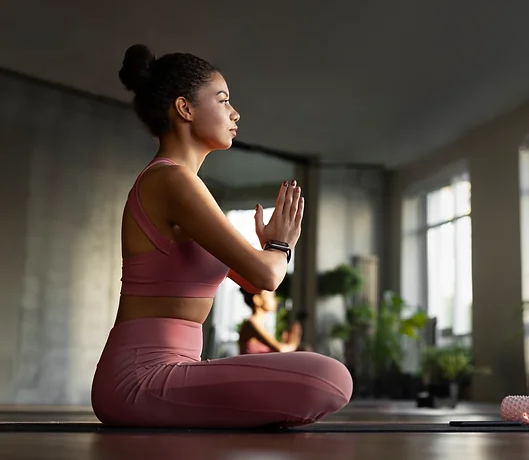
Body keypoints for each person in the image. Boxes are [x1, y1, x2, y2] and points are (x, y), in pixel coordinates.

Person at [90, 44, 352, 428]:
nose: (235, 112)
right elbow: (268, 275)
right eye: (223, 99)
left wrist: (268, 251)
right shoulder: (172, 181)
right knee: (331, 378)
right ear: (185, 108)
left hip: (172, 368)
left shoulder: (185, 185)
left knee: (323, 380)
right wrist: (281, 246)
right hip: (139, 376)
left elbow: (255, 280)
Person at [237, 288, 304, 354]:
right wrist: (294, 343)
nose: (276, 300)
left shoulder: (258, 325)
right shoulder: (251, 324)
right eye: (272, 296)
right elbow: (280, 349)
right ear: (257, 300)